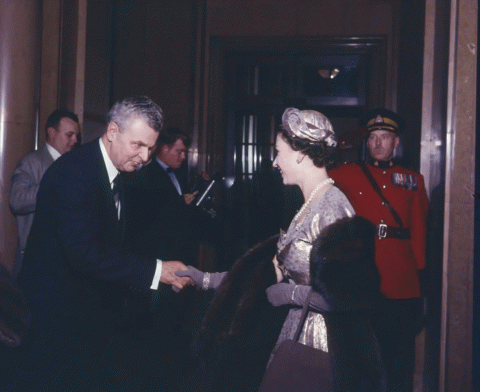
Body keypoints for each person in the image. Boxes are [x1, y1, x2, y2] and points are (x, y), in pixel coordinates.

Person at [15, 97, 192, 392]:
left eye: (150, 147)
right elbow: (84, 254)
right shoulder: (73, 173)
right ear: (112, 131)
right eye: (138, 145)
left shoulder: (117, 170)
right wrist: (156, 270)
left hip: (86, 315)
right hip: (55, 318)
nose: (146, 156)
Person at [177, 108, 359, 391]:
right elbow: (265, 273)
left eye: (278, 151)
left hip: (320, 342)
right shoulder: (308, 204)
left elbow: (348, 295)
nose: (275, 162)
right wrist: (204, 279)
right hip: (295, 331)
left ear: (299, 151)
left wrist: (292, 293)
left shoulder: (334, 208)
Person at [329, 108, 429, 391]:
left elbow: (419, 231)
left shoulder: (412, 180)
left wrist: (419, 278)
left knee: (399, 359)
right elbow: (317, 174)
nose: (378, 143)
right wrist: (343, 141)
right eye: (372, 137)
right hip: (363, 277)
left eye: (385, 137)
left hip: (401, 281)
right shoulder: (348, 173)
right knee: (362, 359)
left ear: (396, 142)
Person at [9, 109, 80, 277]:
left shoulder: (73, 165)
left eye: (76, 135)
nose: (75, 140)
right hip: (37, 264)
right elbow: (17, 201)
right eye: (69, 135)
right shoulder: (32, 162)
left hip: (65, 263)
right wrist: (52, 188)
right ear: (51, 132)